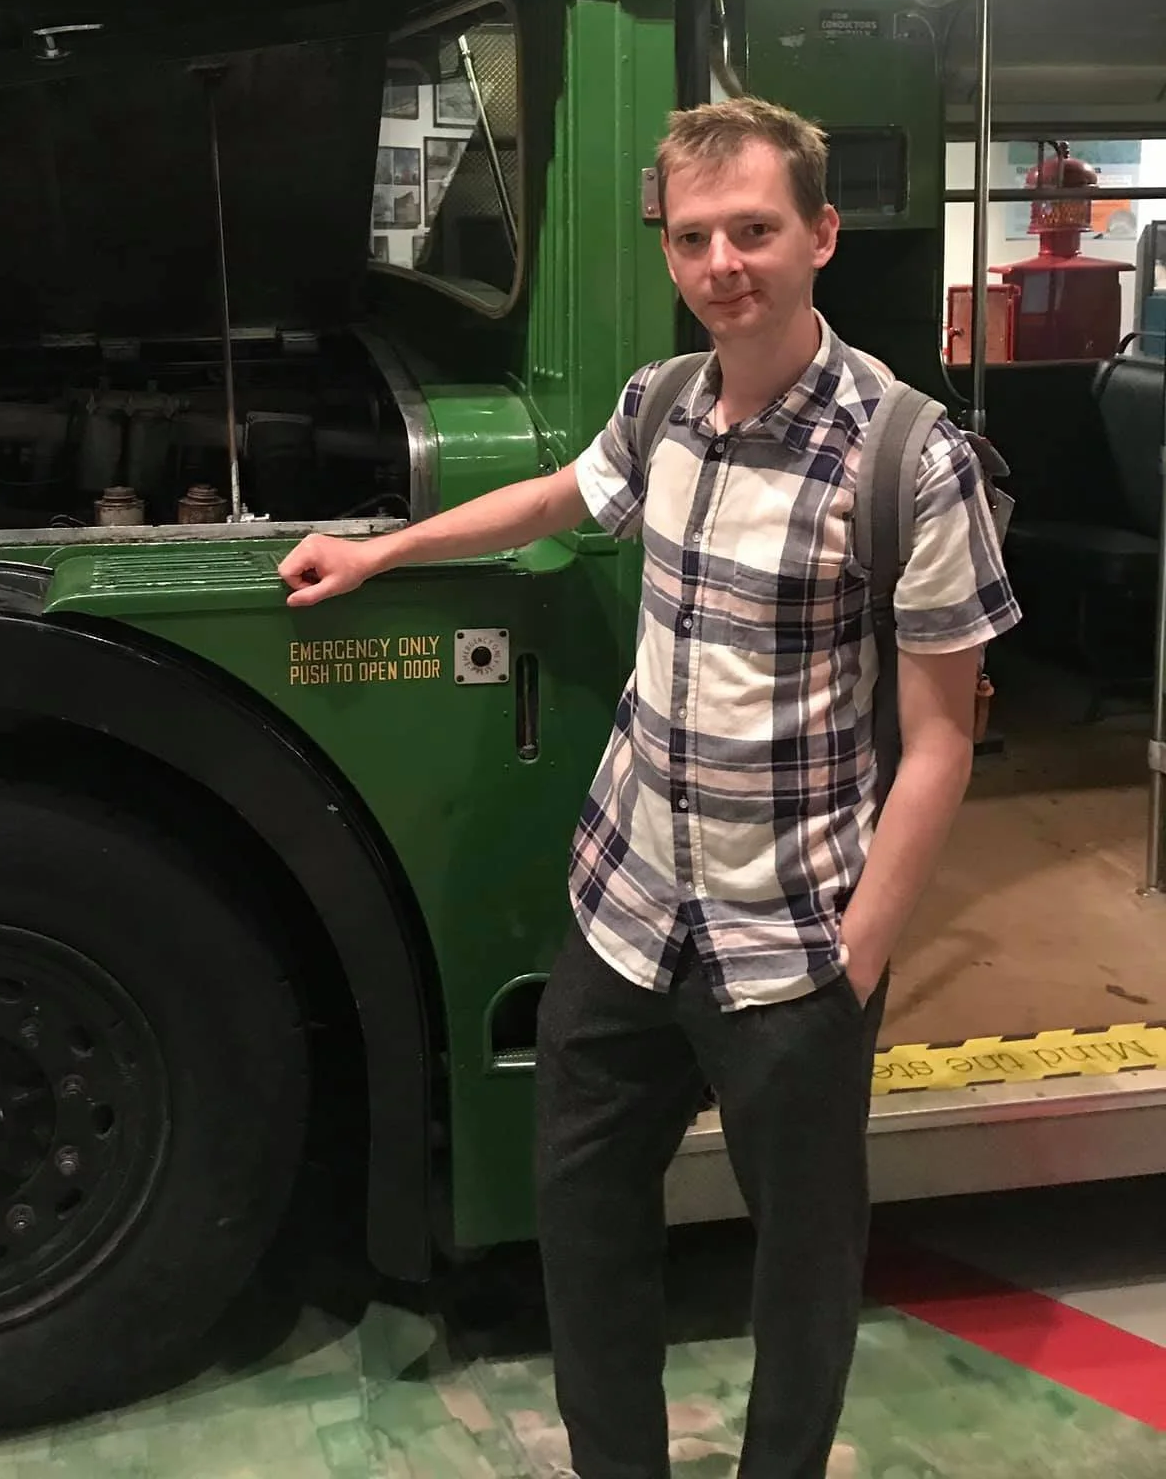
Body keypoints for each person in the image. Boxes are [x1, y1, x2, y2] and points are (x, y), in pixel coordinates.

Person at [277, 98, 1019, 1479]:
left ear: (822, 235)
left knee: (801, 1265)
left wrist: (853, 964)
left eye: (754, 229)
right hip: (625, 918)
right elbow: (562, 497)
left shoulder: (910, 461)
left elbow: (940, 744)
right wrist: (385, 553)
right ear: (669, 253)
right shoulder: (663, 403)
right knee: (586, 1227)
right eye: (695, 237)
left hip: (791, 947)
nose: (724, 261)